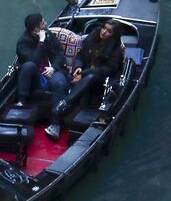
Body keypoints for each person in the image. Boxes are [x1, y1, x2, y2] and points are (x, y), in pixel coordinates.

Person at [47, 20, 124, 139]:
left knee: (91, 78)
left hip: (100, 82)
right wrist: (78, 67)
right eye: (104, 28)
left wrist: (84, 73)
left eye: (109, 31)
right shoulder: (92, 37)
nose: (104, 32)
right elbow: (80, 56)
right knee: (61, 83)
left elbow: (108, 70)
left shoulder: (116, 51)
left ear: (114, 35)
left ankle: (63, 105)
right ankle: (56, 123)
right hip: (82, 74)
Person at [15, 9, 69, 142]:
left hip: (51, 72)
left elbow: (59, 54)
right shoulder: (23, 43)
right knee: (27, 66)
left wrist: (54, 68)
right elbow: (33, 63)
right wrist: (41, 43)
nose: (45, 23)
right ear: (36, 30)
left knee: (60, 83)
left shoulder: (48, 34)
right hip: (34, 77)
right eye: (43, 22)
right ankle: (22, 102)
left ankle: (55, 124)